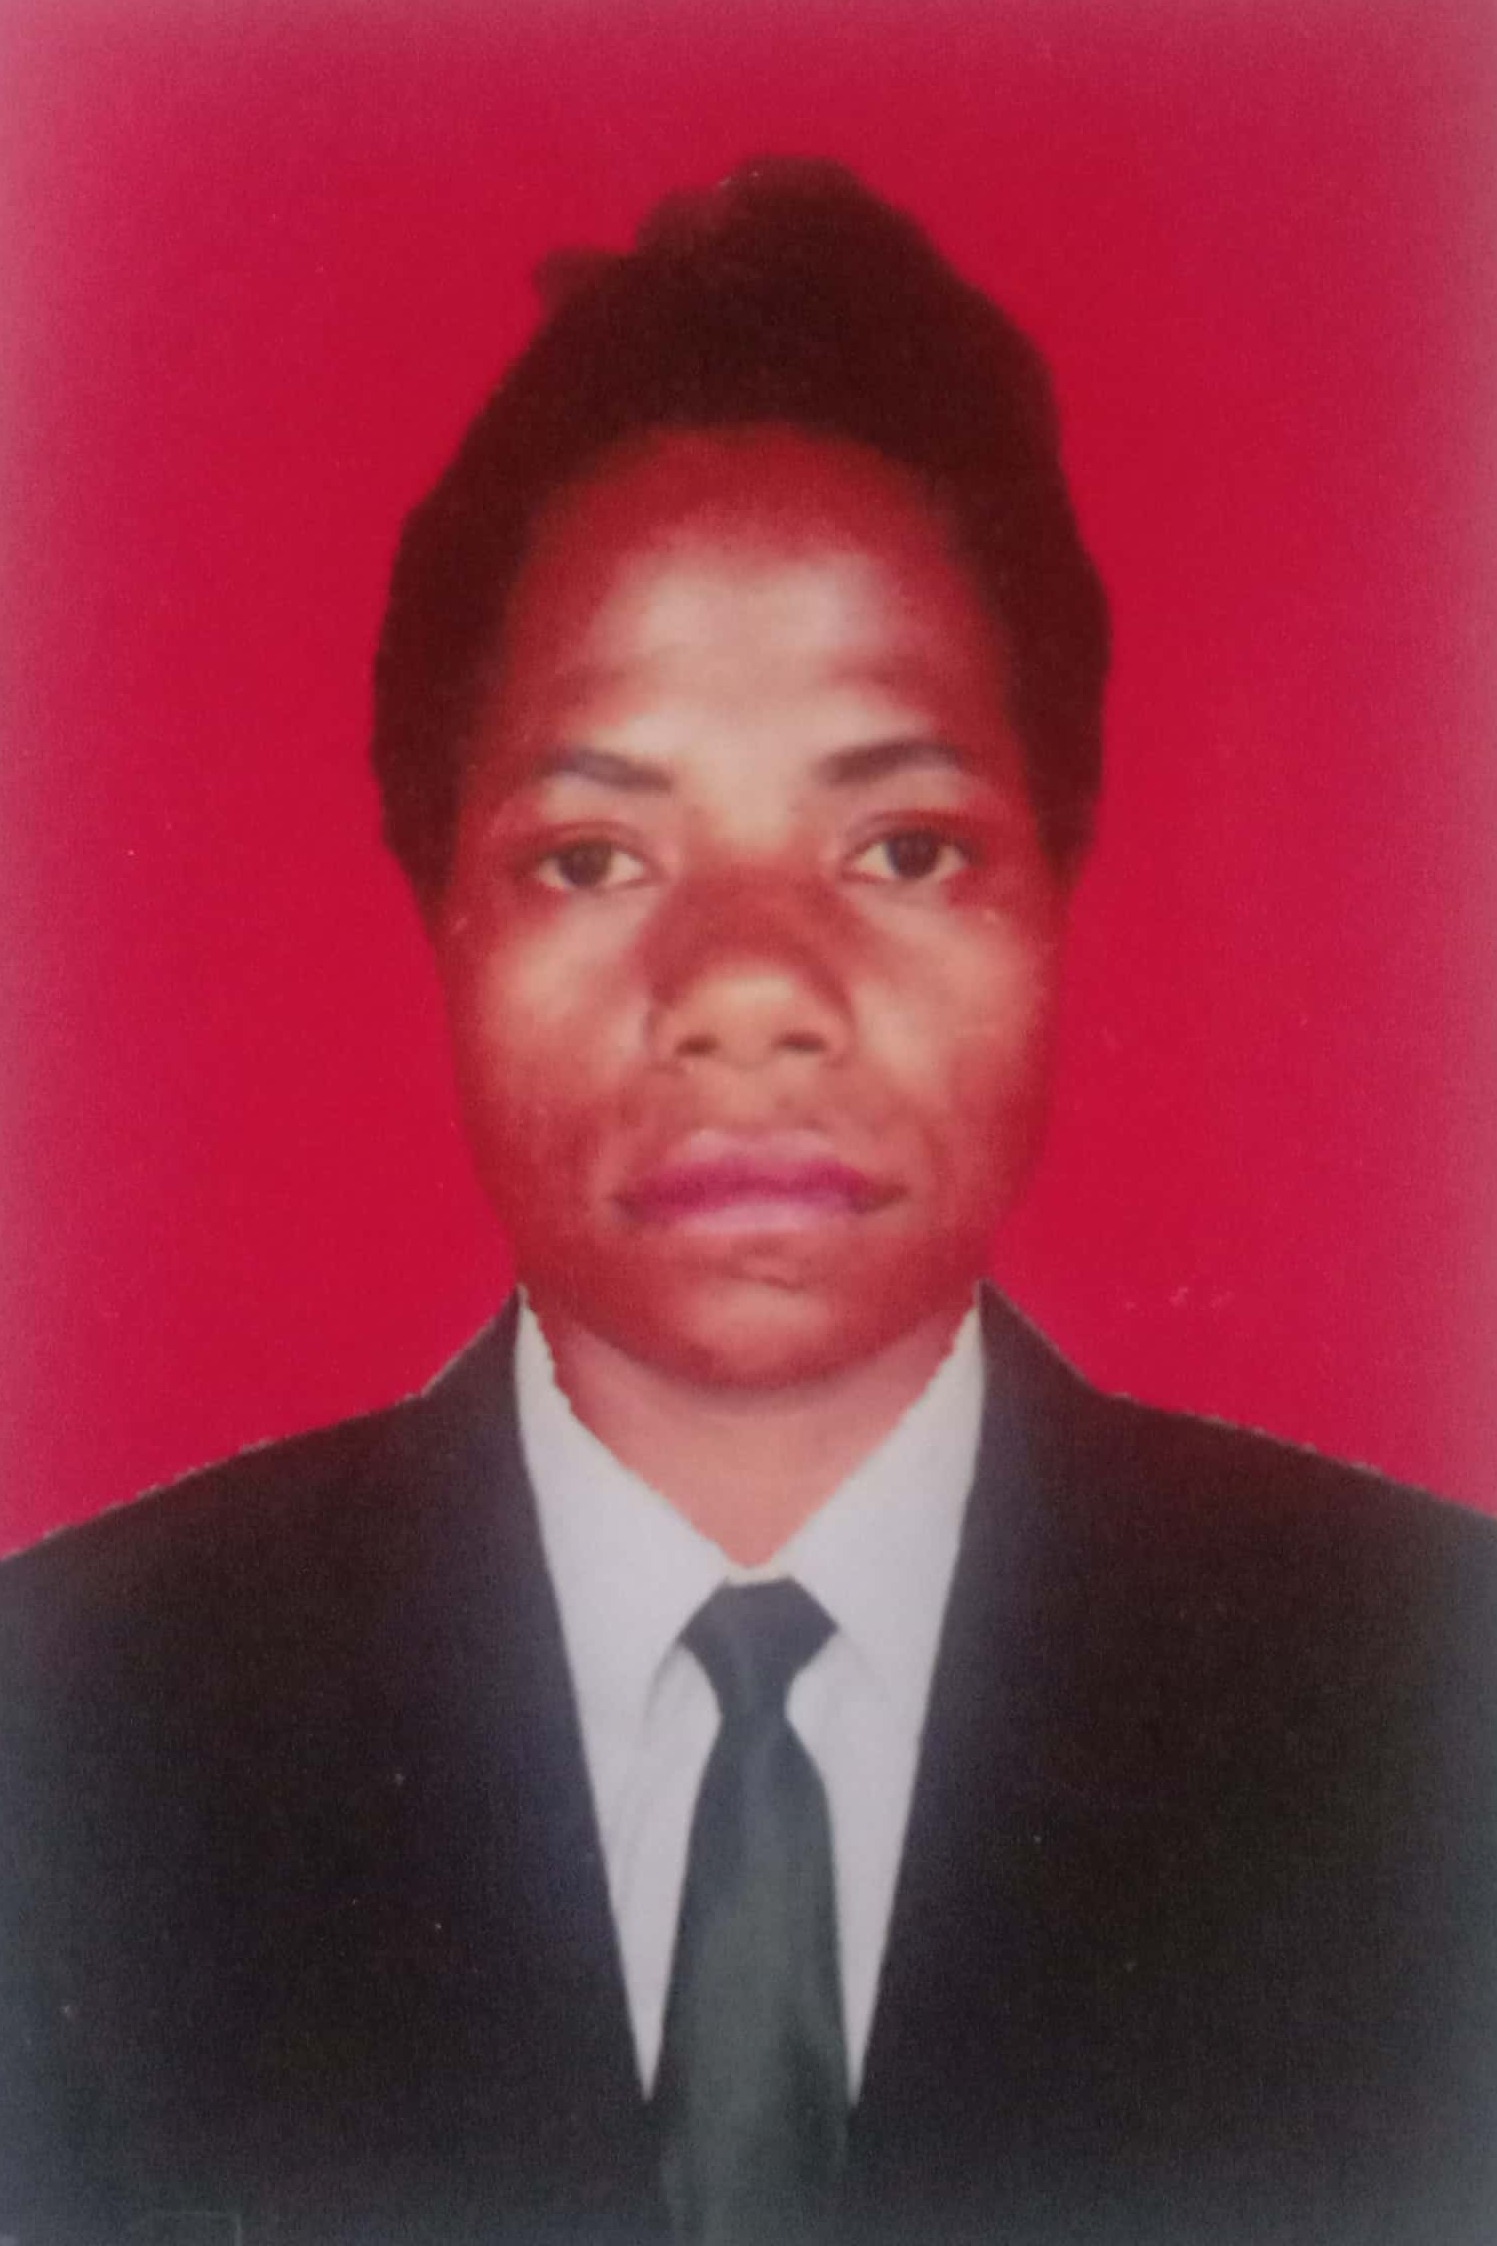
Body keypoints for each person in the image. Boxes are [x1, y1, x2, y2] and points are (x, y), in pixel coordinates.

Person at [1, 160, 1493, 2246]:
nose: (749, 988)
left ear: (1054, 892)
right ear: (441, 911)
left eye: (901, 846)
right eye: (592, 856)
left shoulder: (1435, 1713)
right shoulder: (65, 1744)